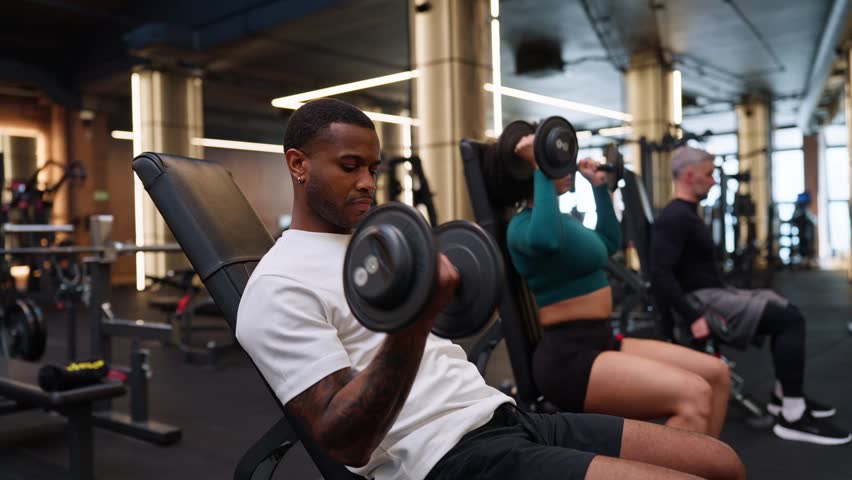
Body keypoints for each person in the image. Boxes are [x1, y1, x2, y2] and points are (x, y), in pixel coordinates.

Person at [236, 99, 745, 480]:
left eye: (373, 169)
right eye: (350, 167)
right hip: (445, 456)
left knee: (721, 462)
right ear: (298, 164)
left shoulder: (372, 247)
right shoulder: (278, 286)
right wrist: (414, 321)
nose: (368, 182)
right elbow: (345, 442)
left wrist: (438, 306)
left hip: (501, 415)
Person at [490, 134, 730, 438]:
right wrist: (541, 168)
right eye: (552, 163)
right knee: (693, 396)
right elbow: (547, 239)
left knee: (716, 375)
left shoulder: (566, 221)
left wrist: (599, 189)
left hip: (602, 340)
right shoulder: (522, 227)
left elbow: (608, 243)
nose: (565, 168)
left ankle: (702, 466)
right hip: (569, 359)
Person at [650, 145, 851, 446]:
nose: (714, 181)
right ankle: (792, 416)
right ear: (690, 176)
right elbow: (659, 274)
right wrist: (694, 318)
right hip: (701, 303)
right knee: (788, 319)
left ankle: (782, 397)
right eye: (709, 175)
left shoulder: (689, 213)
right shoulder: (675, 217)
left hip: (715, 293)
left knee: (784, 306)